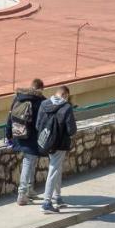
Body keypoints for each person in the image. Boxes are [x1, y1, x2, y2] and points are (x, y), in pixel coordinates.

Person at [35, 84, 77, 213]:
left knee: (56, 168)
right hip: (60, 143)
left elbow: (37, 125)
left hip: (46, 142)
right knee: (54, 170)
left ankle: (57, 197)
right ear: (65, 95)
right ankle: (47, 202)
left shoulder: (44, 104)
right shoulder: (66, 108)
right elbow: (71, 130)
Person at [4, 78, 45, 206]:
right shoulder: (40, 101)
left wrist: (8, 135)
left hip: (19, 135)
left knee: (31, 162)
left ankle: (29, 189)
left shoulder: (18, 98)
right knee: (28, 163)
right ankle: (22, 194)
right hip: (32, 138)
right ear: (41, 88)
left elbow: (10, 117)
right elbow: (42, 122)